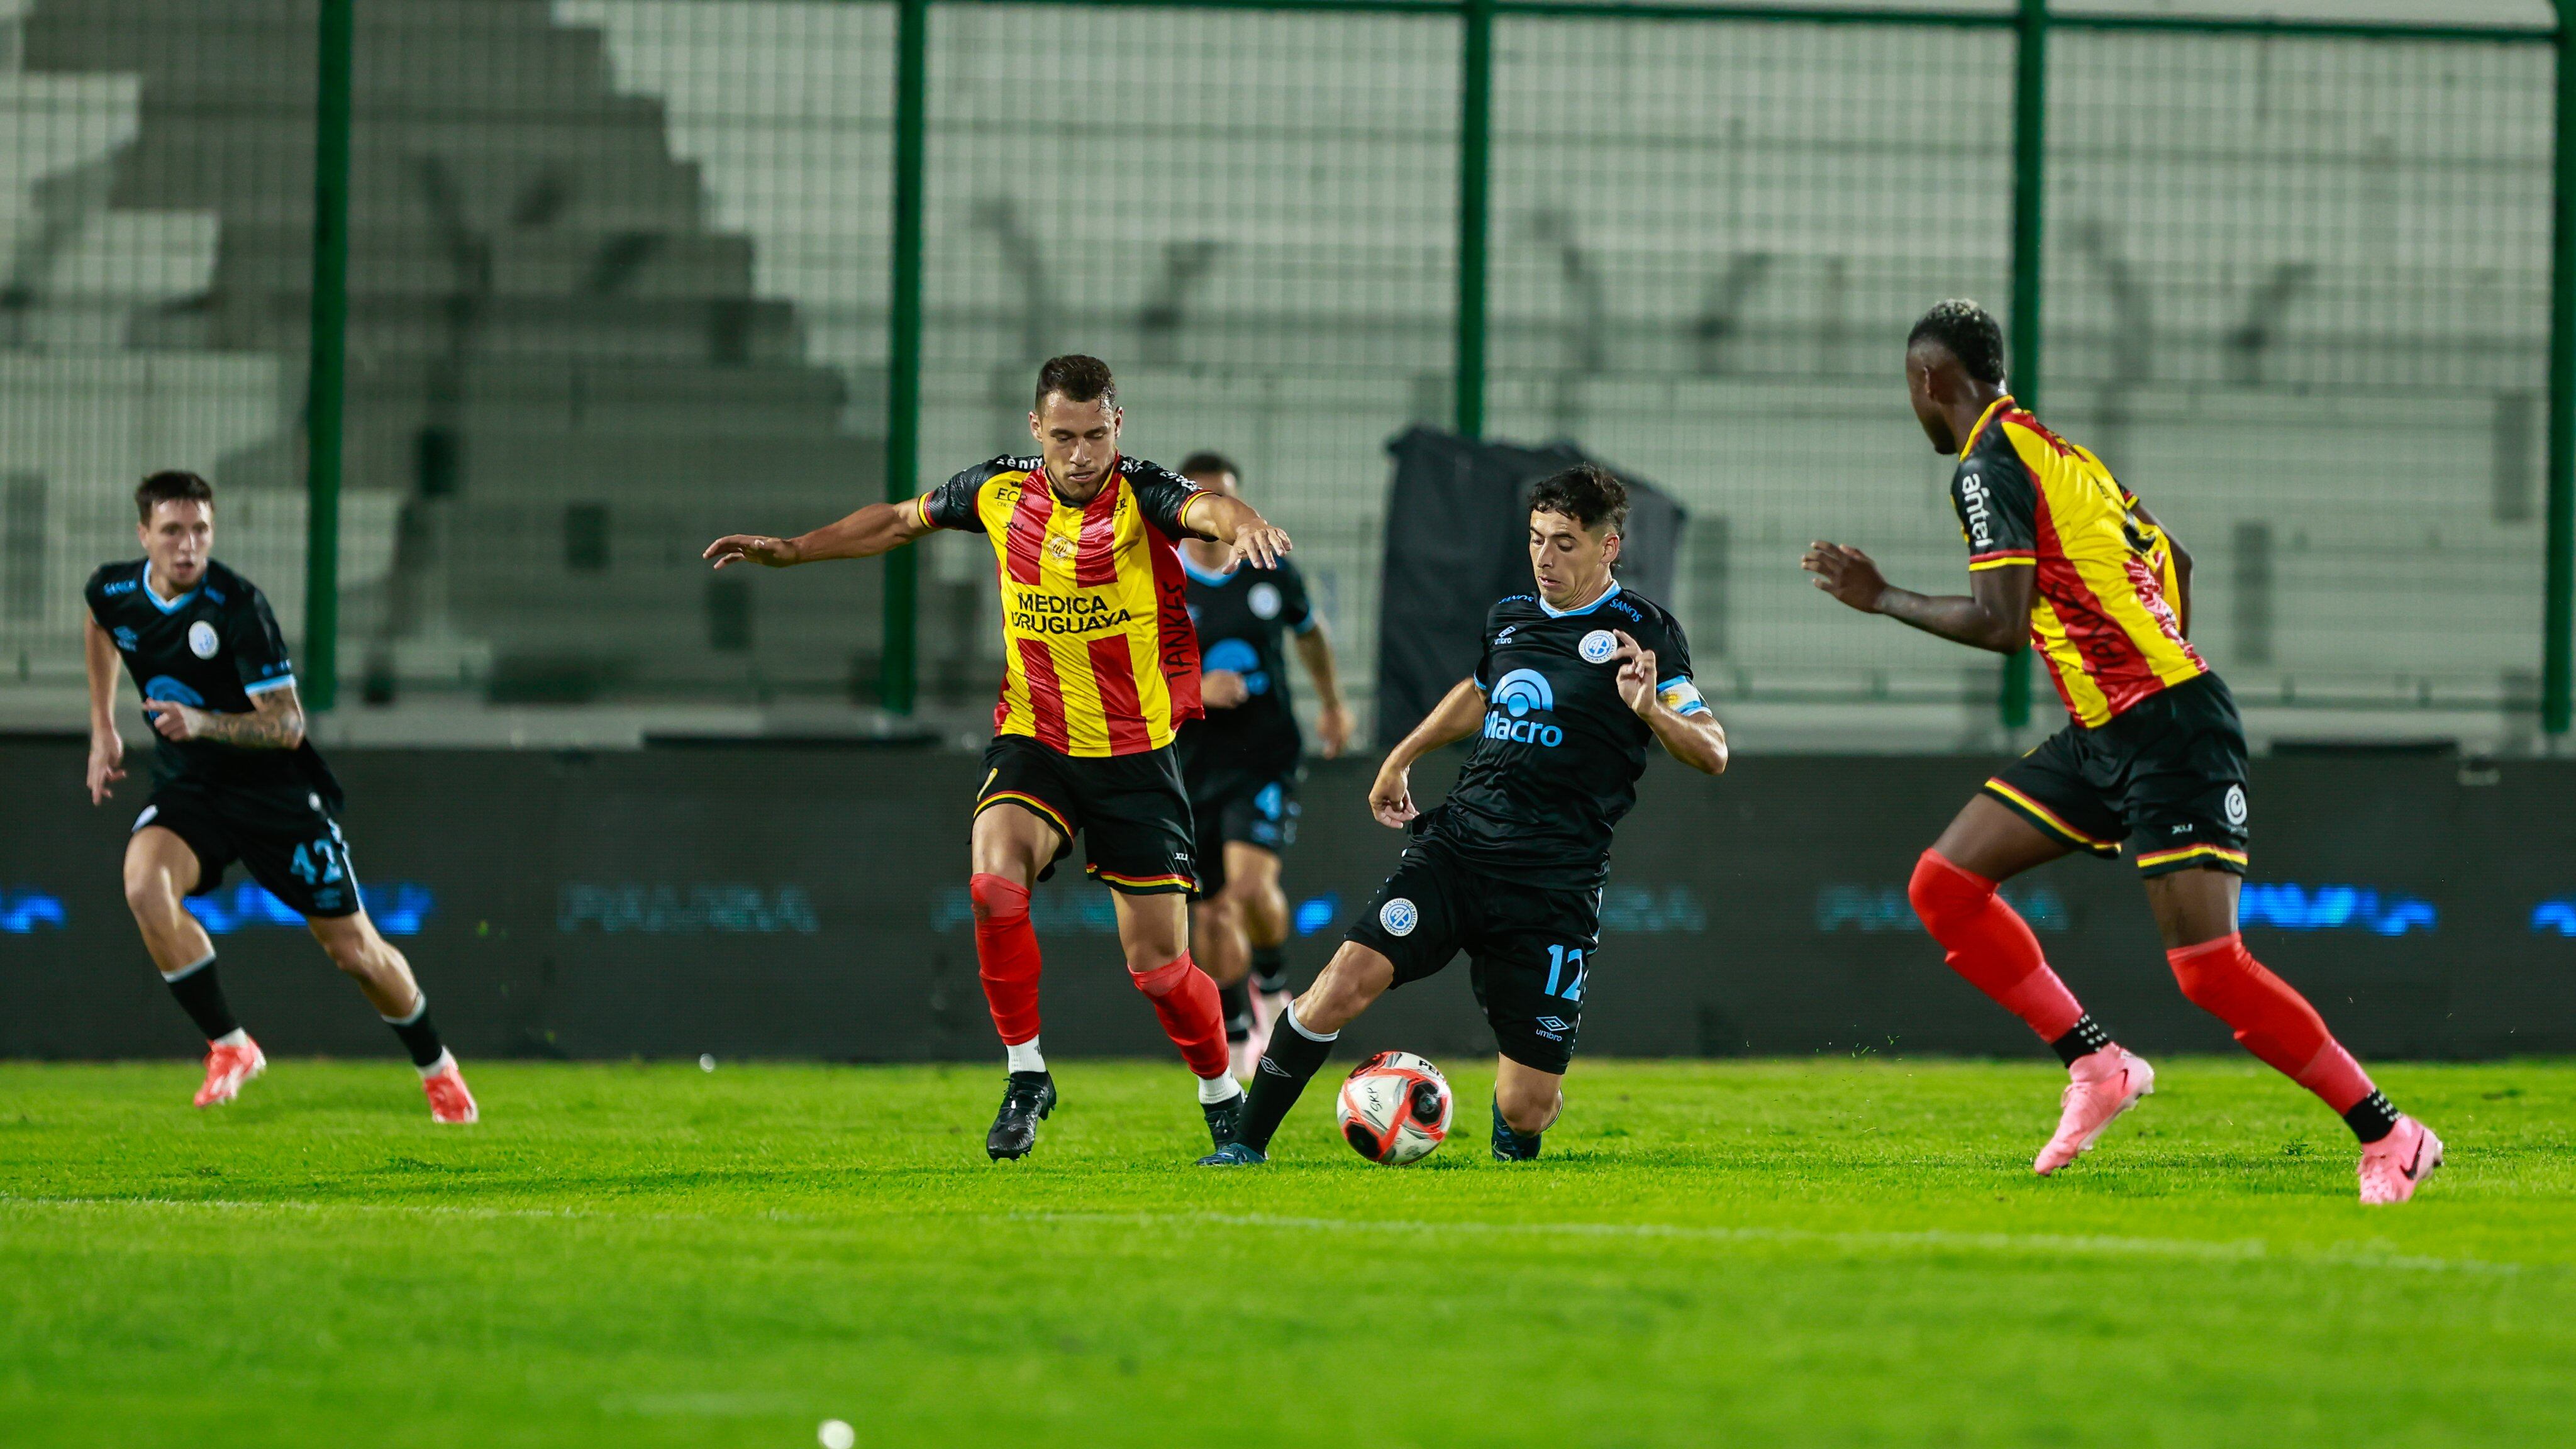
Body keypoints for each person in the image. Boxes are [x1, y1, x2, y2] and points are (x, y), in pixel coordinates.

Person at [1800, 298, 2441, 1204]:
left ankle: (2392, 1133)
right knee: (1944, 885)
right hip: (2111, 729)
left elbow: (2001, 622)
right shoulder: (2059, 451)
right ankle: (2099, 1067)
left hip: (2170, 728)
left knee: (2209, 969)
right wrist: (2139, 656)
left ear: (1928, 381)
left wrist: (1881, 598)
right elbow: (2173, 556)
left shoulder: (1989, 466)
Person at [704, 355, 1295, 1160]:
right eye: (1063, 437)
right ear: (1034, 430)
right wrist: (794, 550)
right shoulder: (998, 489)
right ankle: (1026, 1074)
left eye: (1095, 435)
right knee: (991, 885)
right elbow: (896, 521)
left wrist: (1247, 521)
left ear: (1117, 426)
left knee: (1159, 971)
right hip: (1037, 740)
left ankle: (1221, 1094)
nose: (1081, 454)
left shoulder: (1143, 494)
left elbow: (1210, 509)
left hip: (1136, 759)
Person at [1200, 464, 1725, 1166]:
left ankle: (1519, 1121)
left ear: (1609, 548)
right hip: (1459, 849)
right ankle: (1243, 1148)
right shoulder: (1509, 615)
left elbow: (1713, 752)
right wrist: (1403, 755)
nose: (1545, 558)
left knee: (1525, 1105)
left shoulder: (1646, 632)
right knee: (1342, 982)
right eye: (1537, 539)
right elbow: (1479, 691)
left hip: (1553, 885)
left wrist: (1651, 710)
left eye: (1565, 543)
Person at [84, 470, 478, 1123]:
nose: (188, 546)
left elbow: (288, 724)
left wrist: (204, 722)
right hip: (192, 790)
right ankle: (231, 1046)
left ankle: (436, 1066)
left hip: (276, 798)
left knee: (354, 951)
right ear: (144, 536)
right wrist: (102, 726)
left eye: (201, 531)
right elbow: (100, 623)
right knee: (143, 886)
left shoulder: (238, 606)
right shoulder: (116, 588)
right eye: (173, 531)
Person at [1169, 452, 1353, 1077]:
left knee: (1250, 887)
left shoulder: (1269, 571)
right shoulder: (1158, 580)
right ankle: (1241, 1027)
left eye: (1227, 499)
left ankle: (1273, 986)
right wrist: (1197, 687)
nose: (1216, 514)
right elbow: (1127, 668)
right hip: (1189, 763)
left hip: (1265, 754)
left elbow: (1308, 633)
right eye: (1203, 500)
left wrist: (1331, 704)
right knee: (1211, 910)